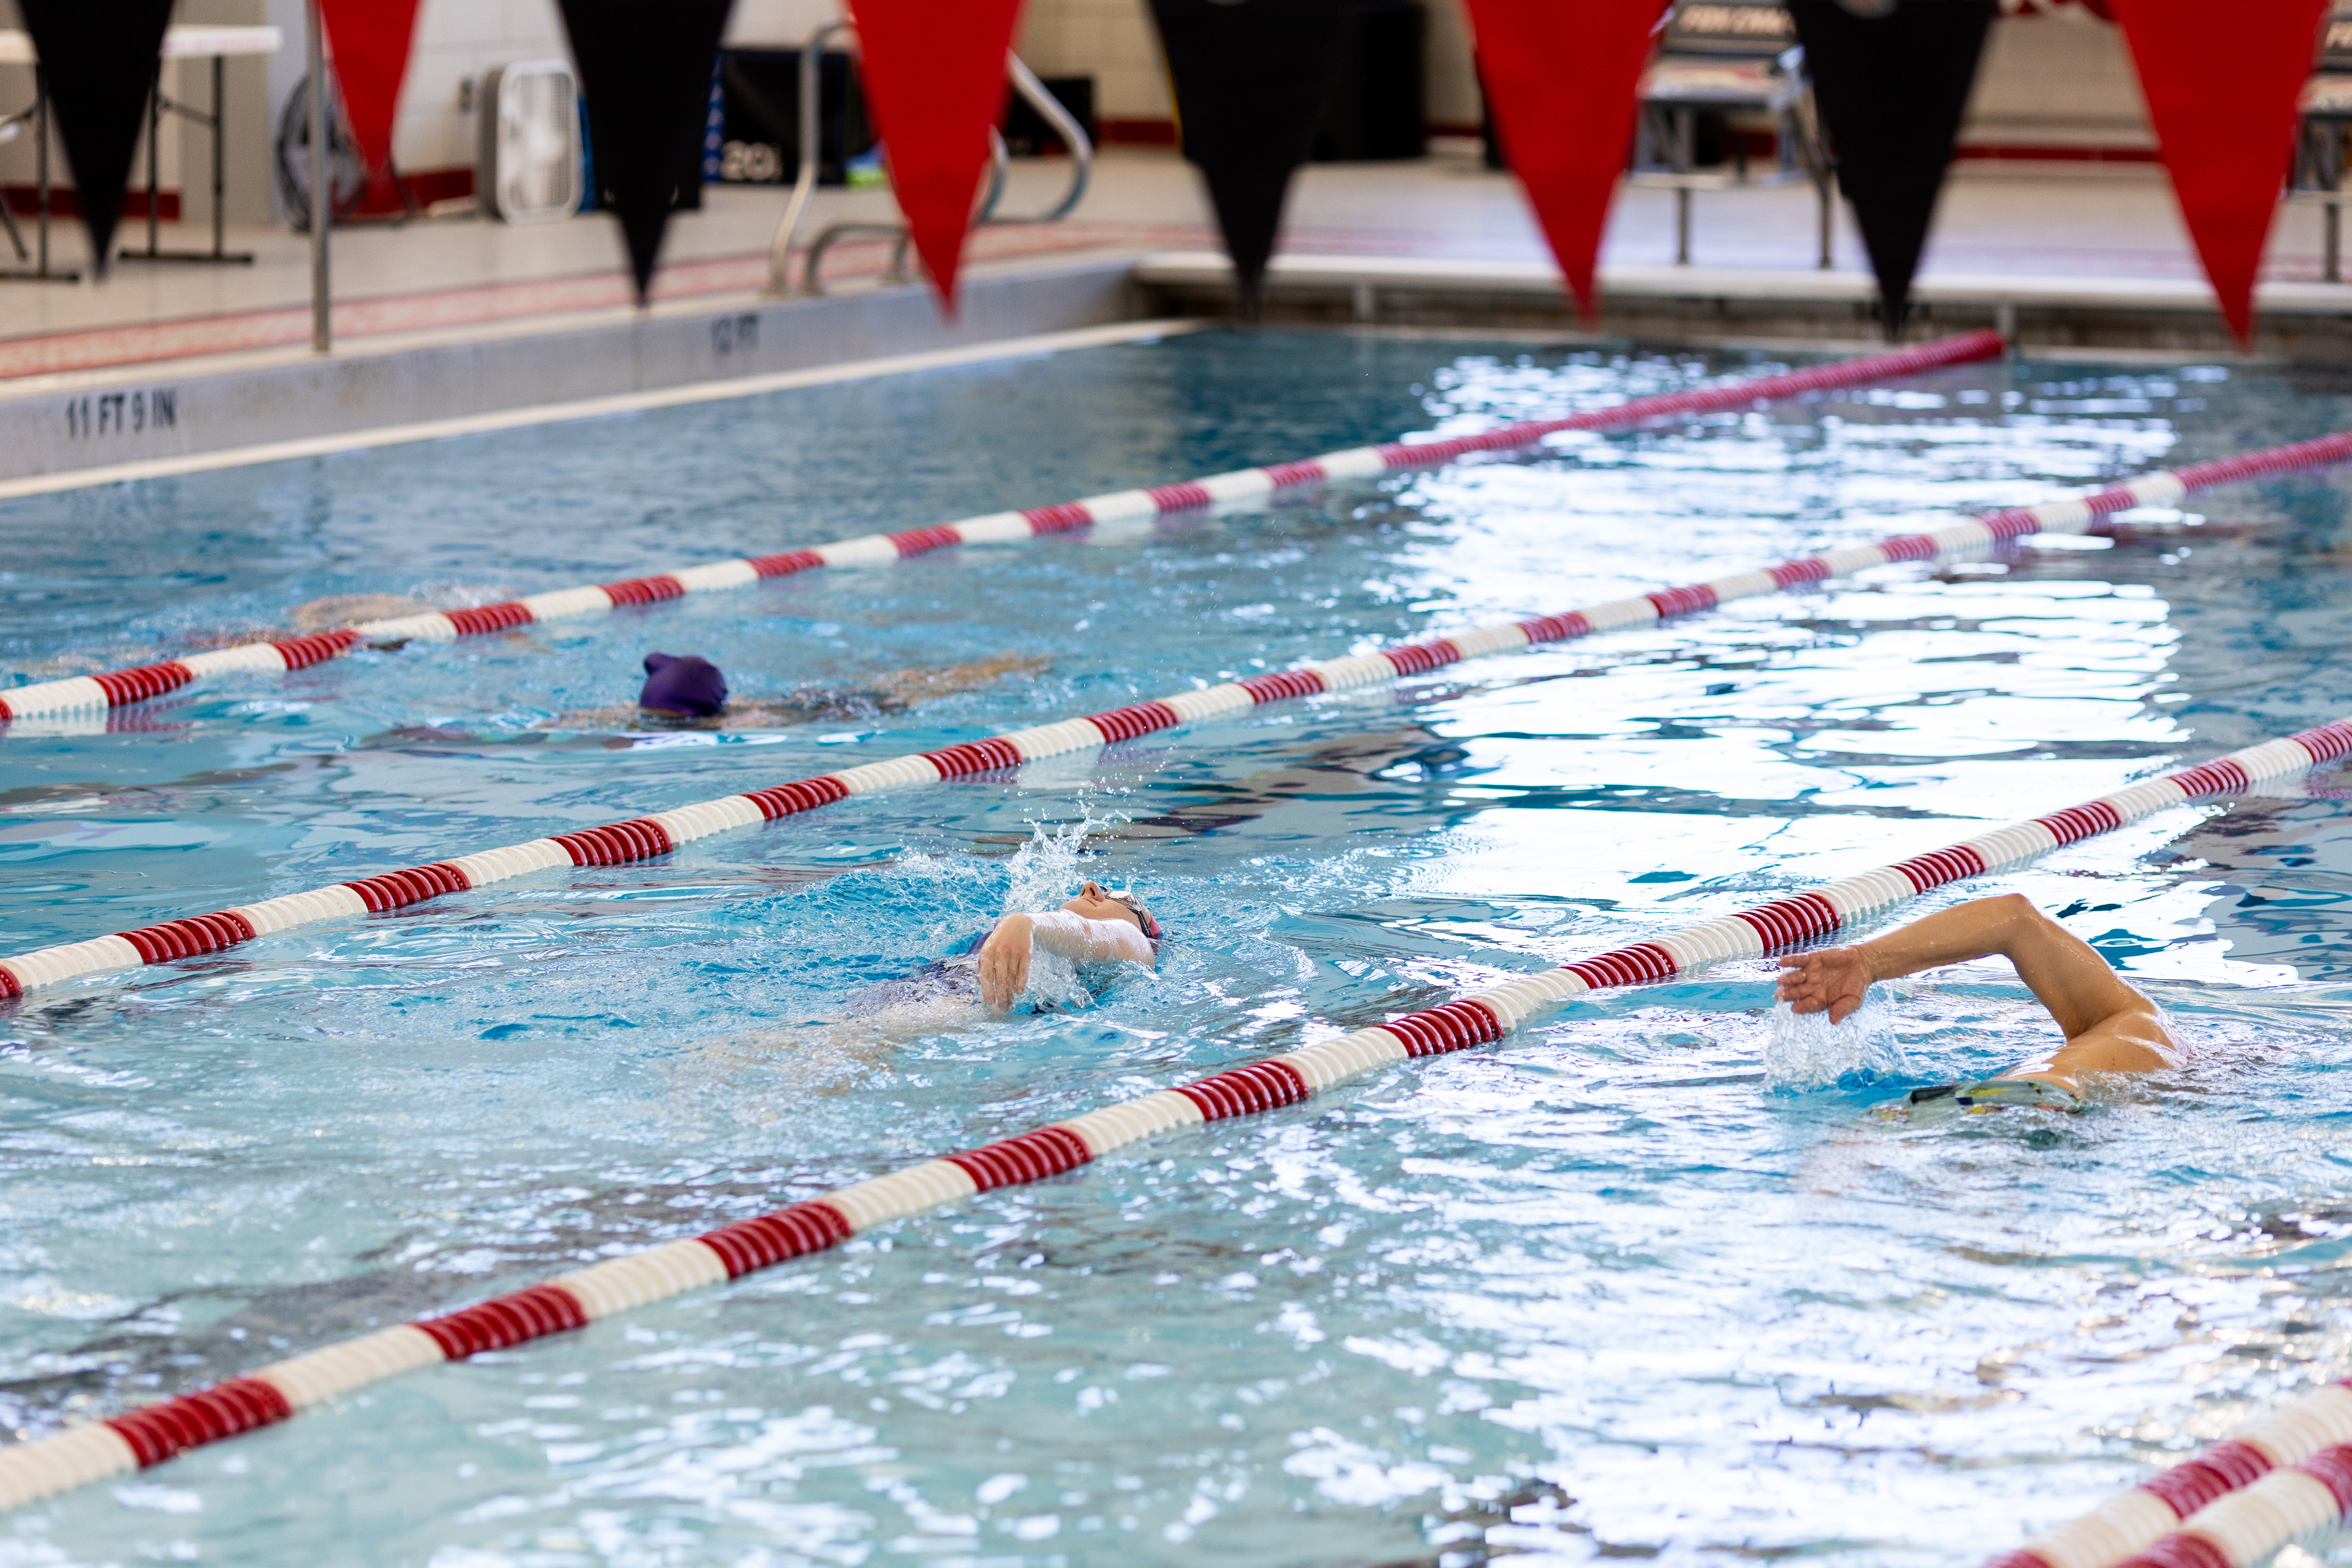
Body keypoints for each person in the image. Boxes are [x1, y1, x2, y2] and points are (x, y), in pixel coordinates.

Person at [1773, 893, 2179, 1114]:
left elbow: (2015, 918)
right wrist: (1866, 963)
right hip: (2017, 1108)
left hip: (1983, 1107)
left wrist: (1870, 960)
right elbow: (2015, 918)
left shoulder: (2141, 1025)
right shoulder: (2148, 1036)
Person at [847, 879, 1161, 1017]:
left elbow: (1087, 934)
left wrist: (1023, 924)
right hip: (899, 998)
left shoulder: (1134, 943)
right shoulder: (1015, 936)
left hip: (946, 1012)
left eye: (1122, 898)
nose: (1092, 888)